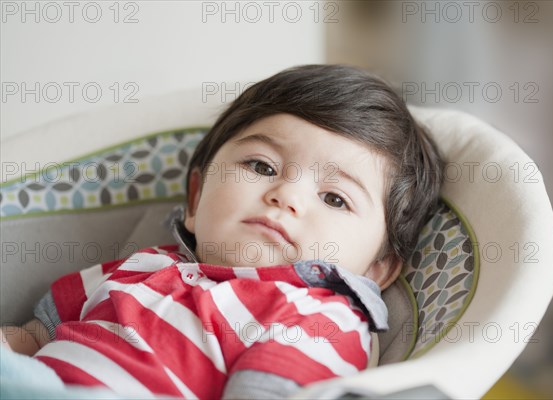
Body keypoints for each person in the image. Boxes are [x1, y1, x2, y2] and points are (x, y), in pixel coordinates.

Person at [0, 64, 444, 399]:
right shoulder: (142, 266)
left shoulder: (316, 319)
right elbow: (35, 337)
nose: (286, 195)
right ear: (195, 200)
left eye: (334, 198)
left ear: (378, 269)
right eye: (261, 166)